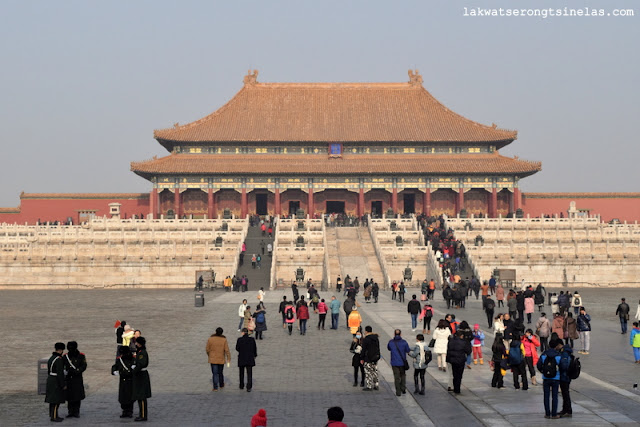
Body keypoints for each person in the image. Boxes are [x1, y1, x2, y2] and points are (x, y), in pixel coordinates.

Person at [537, 339, 565, 419]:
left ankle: (547, 413)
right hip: (556, 378)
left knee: (546, 396)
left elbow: (539, 365)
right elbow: (562, 366)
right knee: (554, 396)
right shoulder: (558, 355)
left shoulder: (544, 354)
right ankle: (554, 414)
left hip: (545, 378)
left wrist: (543, 371)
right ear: (556, 346)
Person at [63, 341, 87, 418]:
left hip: (77, 378)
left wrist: (77, 371)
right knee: (69, 396)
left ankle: (76, 411)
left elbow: (84, 365)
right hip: (69, 378)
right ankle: (70, 411)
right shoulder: (65, 356)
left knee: (77, 396)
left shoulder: (81, 356)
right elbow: (63, 365)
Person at [132, 337, 151, 422]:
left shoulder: (142, 353)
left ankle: (143, 415)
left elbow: (141, 364)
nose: (136, 344)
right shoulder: (139, 352)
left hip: (141, 376)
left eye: (137, 343)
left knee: (142, 396)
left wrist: (134, 370)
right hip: (139, 375)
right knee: (139, 396)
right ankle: (141, 414)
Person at [111, 346, 135, 418]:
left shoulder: (132, 359)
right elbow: (115, 366)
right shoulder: (120, 360)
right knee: (122, 397)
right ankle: (124, 410)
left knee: (130, 397)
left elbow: (132, 369)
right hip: (123, 381)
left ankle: (129, 411)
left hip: (130, 380)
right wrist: (114, 372)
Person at [45, 342, 66, 422]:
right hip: (56, 380)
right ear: (60, 350)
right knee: (56, 400)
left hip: (51, 379)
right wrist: (63, 384)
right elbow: (60, 373)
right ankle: (54, 417)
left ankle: (53, 414)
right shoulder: (59, 360)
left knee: (52, 399)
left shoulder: (52, 358)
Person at [446, 330, 472, 394]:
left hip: (453, 360)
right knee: (459, 375)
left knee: (454, 374)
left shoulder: (451, 341)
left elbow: (448, 350)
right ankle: (457, 389)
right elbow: (468, 351)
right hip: (460, 360)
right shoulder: (463, 342)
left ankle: (455, 387)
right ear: (461, 336)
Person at [387, 329, 411, 396]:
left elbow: (389, 348)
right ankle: (403, 388)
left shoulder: (391, 342)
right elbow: (407, 350)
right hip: (402, 362)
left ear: (394, 334)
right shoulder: (404, 342)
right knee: (403, 375)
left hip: (394, 362)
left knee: (396, 377)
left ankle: (398, 391)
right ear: (400, 334)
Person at [360, 325, 380, 391]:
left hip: (368, 358)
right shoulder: (376, 338)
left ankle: (369, 386)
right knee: (375, 371)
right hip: (375, 357)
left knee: (368, 372)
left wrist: (361, 358)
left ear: (366, 331)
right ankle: (376, 384)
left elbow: (364, 349)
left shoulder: (366, 339)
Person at [557, 341, 574, 418]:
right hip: (567, 376)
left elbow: (564, 366)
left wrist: (558, 366)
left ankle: (567, 410)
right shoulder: (568, 352)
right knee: (565, 393)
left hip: (564, 376)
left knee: (565, 394)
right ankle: (565, 409)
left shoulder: (564, 353)